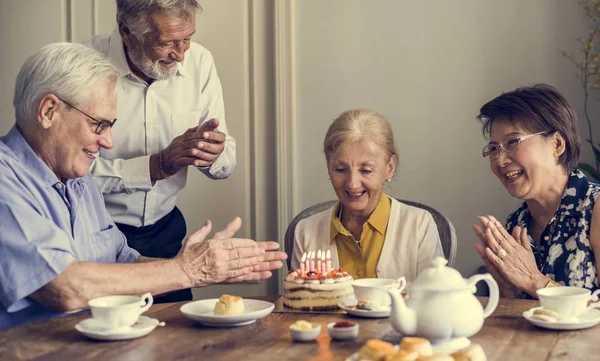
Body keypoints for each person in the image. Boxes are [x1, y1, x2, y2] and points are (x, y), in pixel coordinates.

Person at [0, 42, 286, 331]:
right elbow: (65, 287)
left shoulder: (77, 176)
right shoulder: (5, 183)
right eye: (99, 125)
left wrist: (193, 265)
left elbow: (119, 265)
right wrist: (187, 270)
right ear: (48, 111)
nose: (108, 142)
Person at [87, 0, 235, 302]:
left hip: (167, 234)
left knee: (179, 344)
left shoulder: (200, 62)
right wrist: (156, 166)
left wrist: (213, 153)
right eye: (166, 43)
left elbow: (226, 158)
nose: (181, 55)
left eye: (187, 39)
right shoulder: (83, 66)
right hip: (94, 237)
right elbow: (68, 171)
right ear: (126, 31)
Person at [473, 84, 600, 299]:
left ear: (557, 144)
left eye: (512, 142)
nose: (500, 160)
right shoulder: (515, 224)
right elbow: (517, 318)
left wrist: (534, 280)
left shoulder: (595, 208)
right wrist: (506, 288)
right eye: (494, 149)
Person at [290, 109, 443, 280]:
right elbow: (300, 303)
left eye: (366, 170)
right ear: (328, 165)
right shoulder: (306, 232)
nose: (352, 183)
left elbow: (434, 301)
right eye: (340, 169)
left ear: (390, 168)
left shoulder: (419, 226)